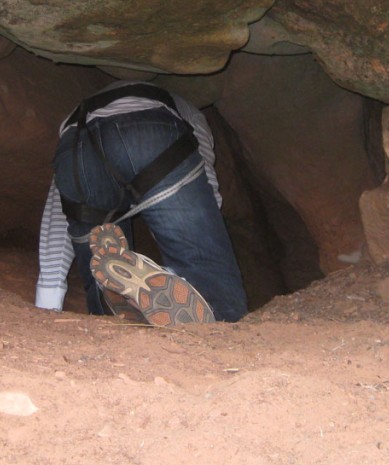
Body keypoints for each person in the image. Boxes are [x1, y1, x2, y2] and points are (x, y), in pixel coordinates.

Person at [36, 81, 248, 324]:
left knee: (101, 266)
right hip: (145, 127)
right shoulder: (190, 111)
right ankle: (201, 305)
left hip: (74, 146)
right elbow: (200, 192)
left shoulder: (84, 111)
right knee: (211, 282)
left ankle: (113, 313)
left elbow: (59, 210)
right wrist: (188, 254)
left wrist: (47, 299)